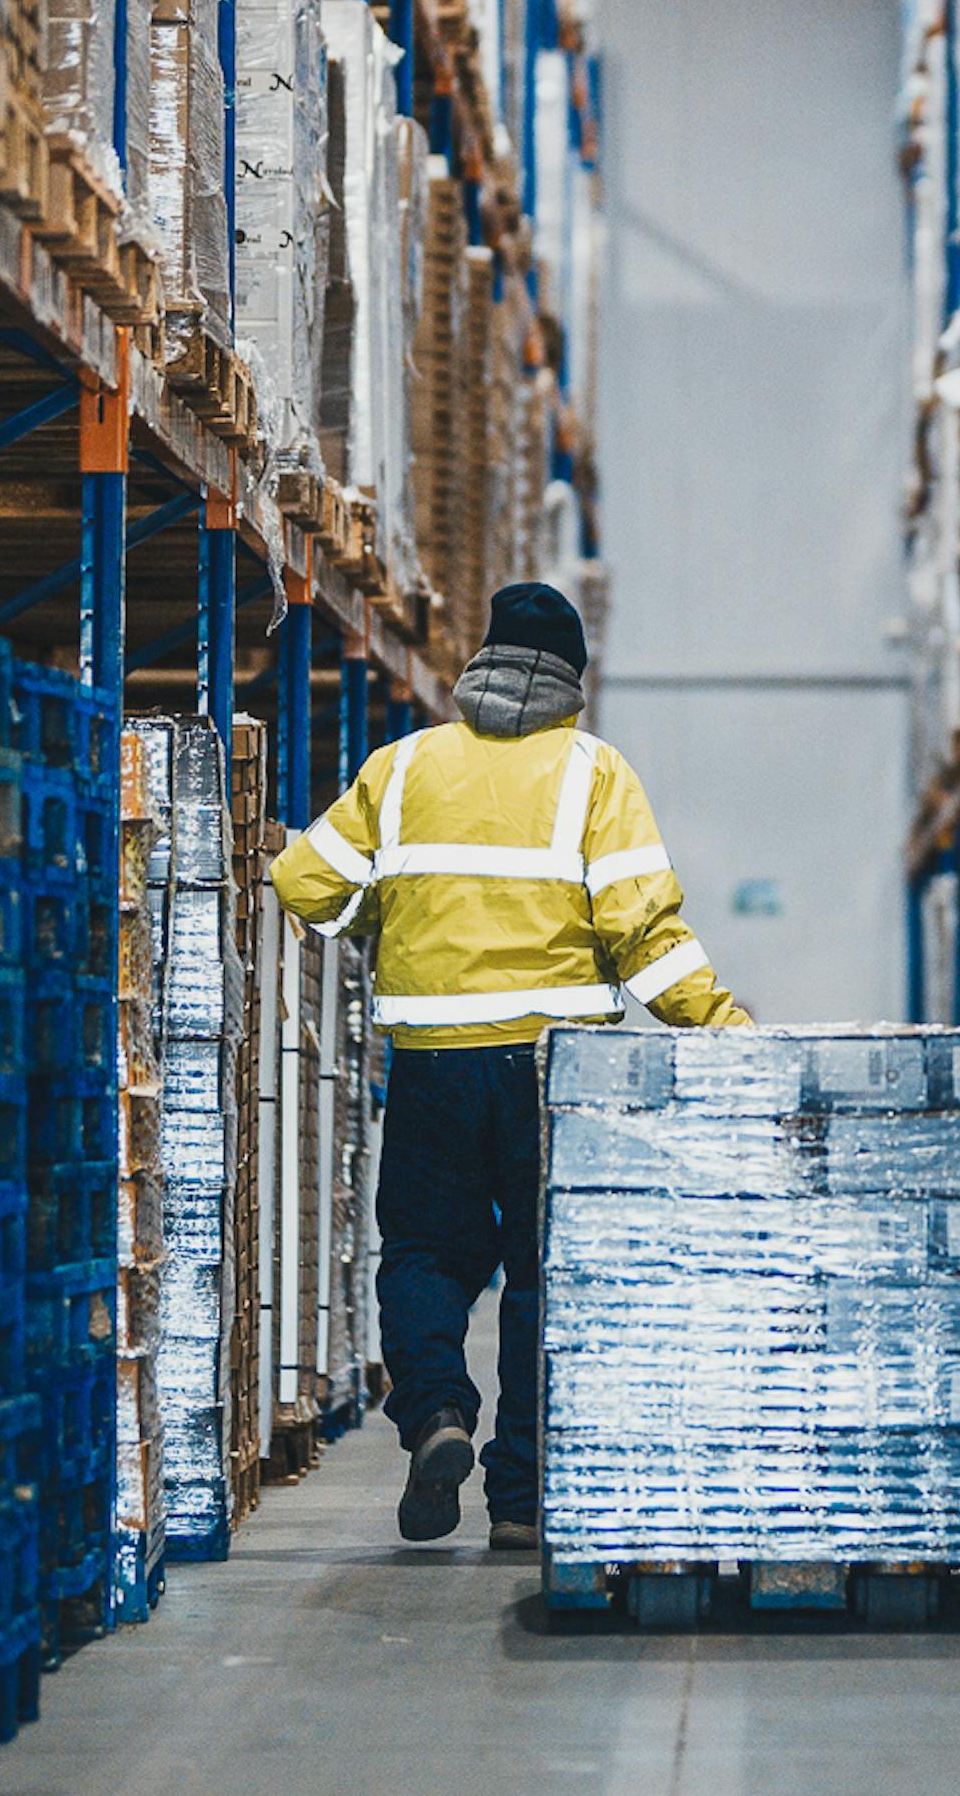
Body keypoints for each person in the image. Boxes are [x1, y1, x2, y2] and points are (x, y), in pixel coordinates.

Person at [270, 579, 753, 1550]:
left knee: (420, 1252)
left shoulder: (404, 767)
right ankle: (523, 1498)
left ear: (482, 664)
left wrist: (384, 918)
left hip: (434, 1065)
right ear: (572, 679)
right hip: (553, 1071)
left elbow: (301, 879)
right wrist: (723, 1030)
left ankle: (439, 1412)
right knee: (545, 1270)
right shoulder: (594, 775)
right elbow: (643, 932)